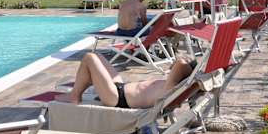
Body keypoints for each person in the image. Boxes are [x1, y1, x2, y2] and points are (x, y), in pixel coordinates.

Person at [56, 52, 196, 109]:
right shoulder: (171, 84)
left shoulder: (171, 87)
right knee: (97, 56)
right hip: (120, 88)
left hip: (117, 98)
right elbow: (182, 65)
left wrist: (187, 62)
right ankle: (85, 83)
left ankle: (75, 95)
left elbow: (182, 64)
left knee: (89, 58)